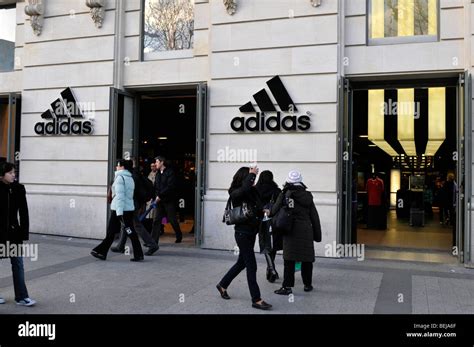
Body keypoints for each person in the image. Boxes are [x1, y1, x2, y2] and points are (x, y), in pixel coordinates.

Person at [216, 166, 272, 310]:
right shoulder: (236, 192)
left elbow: (258, 205)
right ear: (244, 178)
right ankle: (256, 299)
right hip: (242, 233)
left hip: (252, 231)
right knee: (251, 265)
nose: (253, 180)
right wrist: (252, 174)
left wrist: (264, 210)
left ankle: (222, 284)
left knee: (242, 263)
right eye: (250, 177)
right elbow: (244, 189)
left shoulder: (251, 190)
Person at [271, 170, 321, 295]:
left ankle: (287, 287)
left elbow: (274, 210)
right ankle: (307, 284)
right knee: (307, 258)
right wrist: (317, 234)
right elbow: (314, 216)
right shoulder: (308, 196)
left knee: (289, 259)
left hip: (290, 229)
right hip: (306, 230)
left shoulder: (285, 194)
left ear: (288, 181)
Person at [91, 160, 144, 261]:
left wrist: (119, 213)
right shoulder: (130, 178)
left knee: (120, 231)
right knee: (129, 231)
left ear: (123, 167)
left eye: (118, 165)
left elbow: (120, 197)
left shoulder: (120, 178)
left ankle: (101, 251)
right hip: (127, 209)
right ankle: (102, 252)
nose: (116, 167)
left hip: (119, 210)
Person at [0, 162, 36, 306]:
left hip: (14, 234)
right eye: (10, 173)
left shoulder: (19, 189)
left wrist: (23, 232)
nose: (14, 175)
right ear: (2, 175)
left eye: (14, 172)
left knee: (18, 264)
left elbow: (24, 212)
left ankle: (21, 296)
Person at [110, 162, 159, 256]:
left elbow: (130, 192)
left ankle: (152, 244)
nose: (117, 167)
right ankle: (120, 246)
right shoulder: (134, 174)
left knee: (136, 225)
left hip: (132, 203)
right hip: (134, 203)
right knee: (125, 224)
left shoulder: (131, 176)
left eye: (119, 165)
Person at [255, 170, 282, 283]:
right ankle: (270, 268)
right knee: (273, 245)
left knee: (264, 244)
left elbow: (254, 206)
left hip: (261, 221)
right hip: (274, 221)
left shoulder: (255, 190)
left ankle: (271, 268)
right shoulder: (276, 191)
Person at [151, 156, 183, 244]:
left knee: (172, 219)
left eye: (157, 162)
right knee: (156, 220)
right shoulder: (157, 174)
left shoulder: (170, 172)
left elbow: (170, 187)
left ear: (162, 162)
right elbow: (156, 186)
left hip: (168, 200)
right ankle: (153, 241)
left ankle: (179, 235)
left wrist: (160, 196)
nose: (155, 164)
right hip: (159, 201)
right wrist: (156, 196)